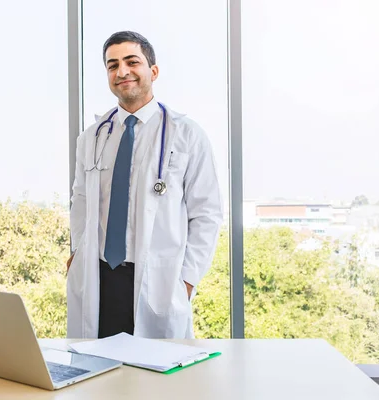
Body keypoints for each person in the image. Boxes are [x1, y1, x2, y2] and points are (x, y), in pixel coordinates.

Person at [67, 31, 222, 339]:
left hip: (158, 280)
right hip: (99, 278)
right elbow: (81, 202)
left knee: (154, 382)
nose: (121, 71)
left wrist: (187, 279)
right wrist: (76, 252)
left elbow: (207, 214)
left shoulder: (186, 134)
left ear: (153, 70)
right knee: (98, 378)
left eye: (131, 61)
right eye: (112, 65)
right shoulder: (92, 137)